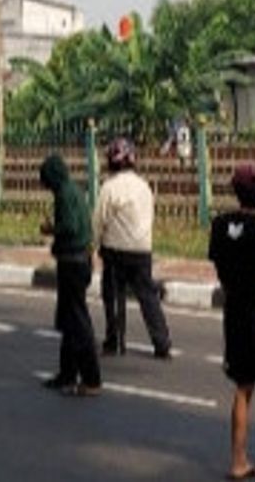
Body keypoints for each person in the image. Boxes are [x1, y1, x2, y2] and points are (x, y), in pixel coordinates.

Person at [209, 163, 255, 480]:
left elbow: (221, 273)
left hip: (233, 313)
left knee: (243, 389)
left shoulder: (219, 225)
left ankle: (238, 461)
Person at [93, 137, 172, 358]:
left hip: (116, 249)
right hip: (142, 249)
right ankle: (162, 342)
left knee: (114, 295)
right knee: (148, 296)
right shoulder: (144, 187)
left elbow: (99, 220)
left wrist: (94, 244)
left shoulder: (109, 187)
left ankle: (116, 342)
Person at [39, 154, 102, 397]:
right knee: (68, 319)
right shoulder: (72, 190)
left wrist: (50, 229)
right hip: (78, 260)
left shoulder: (64, 194)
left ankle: (91, 378)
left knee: (77, 322)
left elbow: (70, 227)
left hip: (72, 262)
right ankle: (67, 373)